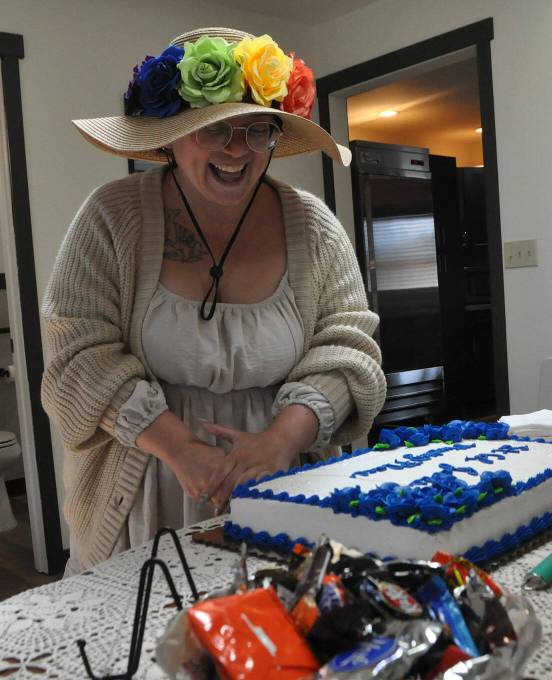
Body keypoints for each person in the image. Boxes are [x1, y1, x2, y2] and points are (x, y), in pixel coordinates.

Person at [41, 27, 385, 573]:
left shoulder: (314, 227)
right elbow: (76, 362)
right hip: (145, 493)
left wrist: (277, 442)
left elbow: (350, 351)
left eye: (256, 131)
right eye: (213, 129)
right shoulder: (110, 217)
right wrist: (185, 452)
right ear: (169, 138)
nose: (236, 150)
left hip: (286, 483)